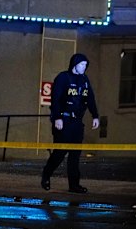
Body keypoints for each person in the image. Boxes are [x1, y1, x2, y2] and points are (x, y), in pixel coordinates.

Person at [41, 53, 100, 194]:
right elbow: (55, 100)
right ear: (75, 64)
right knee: (60, 153)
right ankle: (46, 175)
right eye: (81, 65)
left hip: (77, 122)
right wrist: (57, 118)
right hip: (64, 120)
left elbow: (90, 98)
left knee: (75, 155)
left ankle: (74, 185)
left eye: (85, 65)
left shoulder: (84, 80)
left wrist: (95, 116)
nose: (84, 68)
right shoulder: (63, 78)